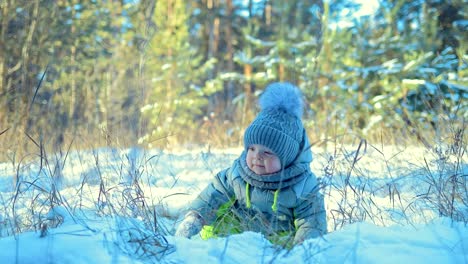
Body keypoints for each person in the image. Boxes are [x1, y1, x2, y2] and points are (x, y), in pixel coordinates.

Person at [175, 82, 327, 247]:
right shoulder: (237, 174)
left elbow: (312, 222)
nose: (257, 157)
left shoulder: (303, 186)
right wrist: (194, 218)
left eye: (267, 152)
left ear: (288, 159)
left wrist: (304, 249)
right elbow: (213, 196)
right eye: (252, 149)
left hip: (276, 248)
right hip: (232, 242)